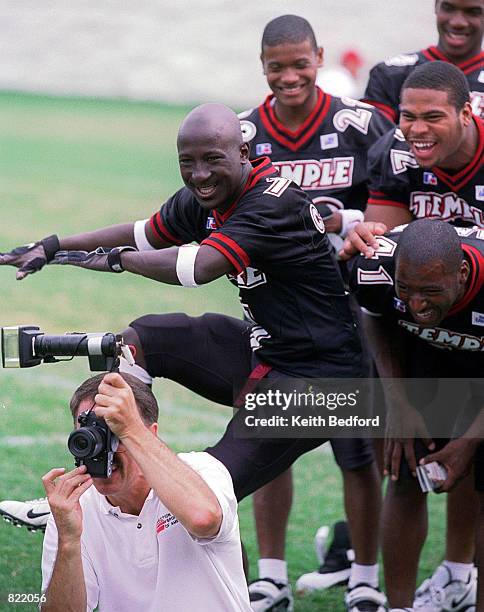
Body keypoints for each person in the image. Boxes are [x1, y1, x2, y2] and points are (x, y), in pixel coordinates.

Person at [0, 103, 374, 611]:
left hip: (326, 384)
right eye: (188, 162)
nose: (199, 175)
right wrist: (56, 246)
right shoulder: (212, 193)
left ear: (244, 153)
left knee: (200, 499)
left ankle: (122, 504)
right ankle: (100, 474)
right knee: (145, 338)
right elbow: (143, 234)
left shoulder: (272, 201)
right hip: (267, 349)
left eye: (212, 161)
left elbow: (198, 266)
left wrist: (112, 263)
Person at [237, 14, 394, 610]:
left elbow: (394, 203)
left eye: (300, 63)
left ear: (318, 56)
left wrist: (344, 224)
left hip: (353, 307)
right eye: (276, 66)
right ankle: (271, 575)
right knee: (274, 435)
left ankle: (364, 576)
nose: (289, 76)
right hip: (280, 310)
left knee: (357, 444)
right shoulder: (246, 133)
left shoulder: (361, 124)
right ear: (263, 67)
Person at [341, 61, 483, 610]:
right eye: (406, 117)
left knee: (474, 459)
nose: (416, 129)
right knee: (405, 467)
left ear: (467, 112)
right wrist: (397, 400)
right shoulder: (396, 155)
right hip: (421, 333)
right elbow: (385, 277)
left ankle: (458, 574)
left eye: (432, 117)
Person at [348, 219, 484, 612]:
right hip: (424, 362)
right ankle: (400, 607)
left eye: (430, 292)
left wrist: (470, 440)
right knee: (406, 473)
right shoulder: (377, 266)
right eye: (405, 290)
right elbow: (374, 314)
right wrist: (399, 401)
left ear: (461, 274)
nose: (417, 304)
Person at [40, 371, 251, 612]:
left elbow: (203, 519)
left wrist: (130, 431)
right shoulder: (72, 510)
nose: (99, 448)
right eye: (88, 434)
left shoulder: (201, 468)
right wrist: (68, 541)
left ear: (148, 434)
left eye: (112, 432)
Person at [363, 0, 483, 121]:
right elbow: (374, 136)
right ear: (436, 6)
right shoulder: (390, 74)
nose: (457, 22)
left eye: (472, 12)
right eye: (448, 8)